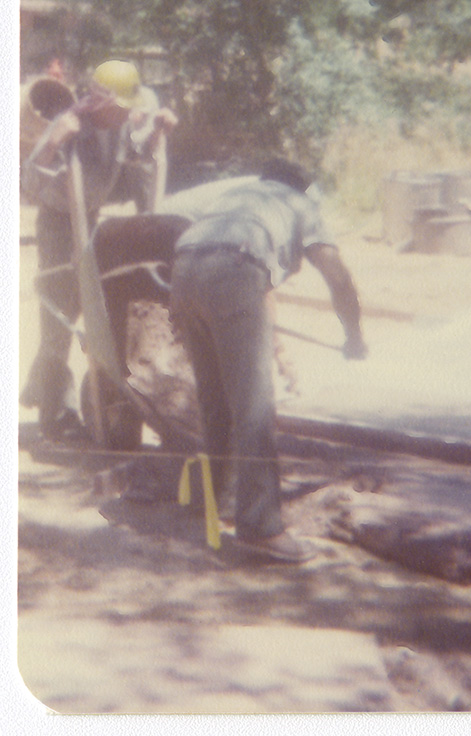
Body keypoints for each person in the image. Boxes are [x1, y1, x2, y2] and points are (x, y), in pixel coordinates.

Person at [168, 159, 366, 563]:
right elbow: (338, 276)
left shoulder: (238, 198)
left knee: (215, 399)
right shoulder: (300, 204)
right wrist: (354, 336)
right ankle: (260, 527)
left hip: (184, 269)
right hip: (234, 271)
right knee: (254, 407)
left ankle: (212, 499)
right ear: (302, 189)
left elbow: (260, 288)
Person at [20, 59, 177, 439]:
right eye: (121, 106)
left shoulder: (120, 124)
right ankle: (55, 415)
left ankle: (75, 398)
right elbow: (27, 184)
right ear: (101, 102)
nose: (126, 113)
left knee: (98, 313)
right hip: (58, 224)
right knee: (60, 317)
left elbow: (138, 155)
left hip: (89, 219)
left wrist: (157, 131)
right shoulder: (69, 124)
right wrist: (53, 143)